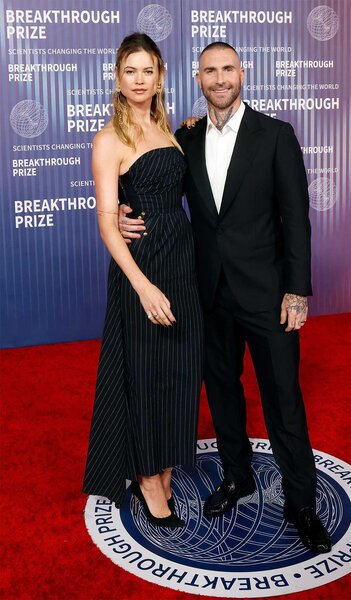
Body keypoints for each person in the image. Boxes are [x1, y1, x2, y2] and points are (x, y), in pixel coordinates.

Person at [119, 42, 331, 552]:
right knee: (222, 391)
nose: (219, 79)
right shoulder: (183, 139)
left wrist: (297, 290)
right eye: (209, 71)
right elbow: (153, 187)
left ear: (243, 72)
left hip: (266, 295)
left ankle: (301, 501)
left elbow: (295, 219)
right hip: (206, 292)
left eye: (228, 69)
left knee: (283, 398)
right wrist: (123, 217)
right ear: (196, 78)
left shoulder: (276, 136)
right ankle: (238, 477)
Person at [83, 32, 203, 528]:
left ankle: (166, 460)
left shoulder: (167, 125)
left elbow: (172, 180)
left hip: (182, 261)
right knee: (148, 375)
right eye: (130, 70)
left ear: (160, 77)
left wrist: (191, 128)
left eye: (147, 71)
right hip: (144, 270)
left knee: (179, 371)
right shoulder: (109, 138)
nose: (139, 79)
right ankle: (149, 480)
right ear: (117, 77)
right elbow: (108, 223)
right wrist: (142, 285)